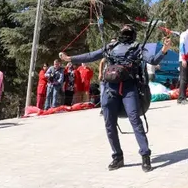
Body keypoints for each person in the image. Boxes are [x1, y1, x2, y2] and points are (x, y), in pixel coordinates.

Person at [62, 24, 170, 171]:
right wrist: (70, 58)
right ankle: (117, 156)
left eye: (128, 28)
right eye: (124, 28)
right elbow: (91, 56)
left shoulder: (137, 48)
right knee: (109, 123)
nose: (126, 28)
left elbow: (153, 60)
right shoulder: (111, 47)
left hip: (129, 88)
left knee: (135, 120)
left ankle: (145, 156)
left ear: (132, 33)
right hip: (110, 89)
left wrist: (164, 50)